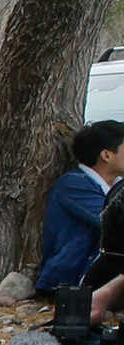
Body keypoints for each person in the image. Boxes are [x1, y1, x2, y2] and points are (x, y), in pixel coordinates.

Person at [36, 121, 124, 294]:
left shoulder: (116, 186)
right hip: (74, 278)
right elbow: (114, 224)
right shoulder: (73, 185)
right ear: (106, 155)